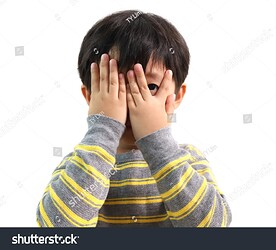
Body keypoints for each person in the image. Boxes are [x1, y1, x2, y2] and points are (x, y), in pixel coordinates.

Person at [36, 10, 232, 227]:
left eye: (150, 87)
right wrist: (103, 128)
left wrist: (157, 141)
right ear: (90, 97)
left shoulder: (188, 160)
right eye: (114, 87)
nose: (131, 101)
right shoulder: (80, 163)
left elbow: (213, 226)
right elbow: (56, 229)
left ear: (177, 96)